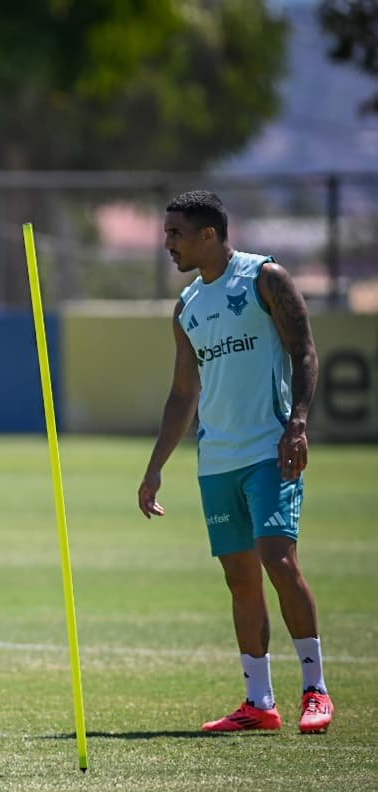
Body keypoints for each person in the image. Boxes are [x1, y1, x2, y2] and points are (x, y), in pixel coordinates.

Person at [139, 190, 332, 734]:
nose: (168, 244)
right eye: (165, 234)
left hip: (270, 449)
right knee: (239, 580)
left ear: (209, 235)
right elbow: (182, 393)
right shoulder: (187, 308)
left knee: (279, 561)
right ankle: (259, 702)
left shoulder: (265, 279)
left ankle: (315, 690)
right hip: (216, 461)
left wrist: (298, 422)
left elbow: (305, 351)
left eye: (176, 234)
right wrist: (155, 467)